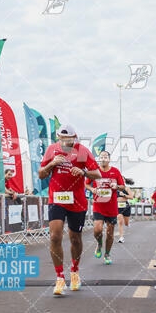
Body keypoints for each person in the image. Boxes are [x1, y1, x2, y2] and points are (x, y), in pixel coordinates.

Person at [38, 125, 101, 296]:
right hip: (57, 199)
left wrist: (84, 171)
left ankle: (74, 271)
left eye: (69, 139)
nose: (65, 142)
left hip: (77, 201)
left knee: (75, 238)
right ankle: (59, 278)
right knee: (55, 236)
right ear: (57, 137)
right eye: (62, 138)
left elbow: (97, 174)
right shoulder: (52, 150)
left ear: (75, 137)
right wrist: (52, 163)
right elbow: (41, 174)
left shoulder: (82, 151)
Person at [85, 151, 125, 265]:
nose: (103, 158)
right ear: (99, 159)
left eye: (105, 157)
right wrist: (92, 189)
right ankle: (99, 244)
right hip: (98, 205)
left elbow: (123, 187)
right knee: (97, 229)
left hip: (111, 207)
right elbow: (86, 184)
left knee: (110, 232)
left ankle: (107, 254)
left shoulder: (115, 171)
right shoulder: (94, 171)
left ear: (109, 159)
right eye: (101, 157)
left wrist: (116, 186)